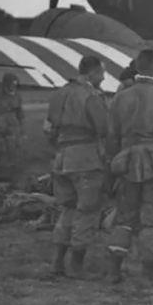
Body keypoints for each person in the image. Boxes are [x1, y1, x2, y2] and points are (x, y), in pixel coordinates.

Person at [105, 49, 153, 285]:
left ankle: (114, 271)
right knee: (151, 219)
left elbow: (111, 136)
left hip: (127, 161)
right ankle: (148, 275)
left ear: (137, 68)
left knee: (124, 218)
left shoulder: (120, 97)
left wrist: (114, 163)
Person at [43, 55, 109, 279]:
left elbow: (48, 129)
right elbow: (104, 128)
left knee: (67, 210)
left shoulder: (59, 93)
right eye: (102, 72)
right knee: (87, 211)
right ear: (91, 73)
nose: (104, 77)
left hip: (62, 158)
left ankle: (57, 262)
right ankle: (76, 266)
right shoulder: (91, 96)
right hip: (86, 159)